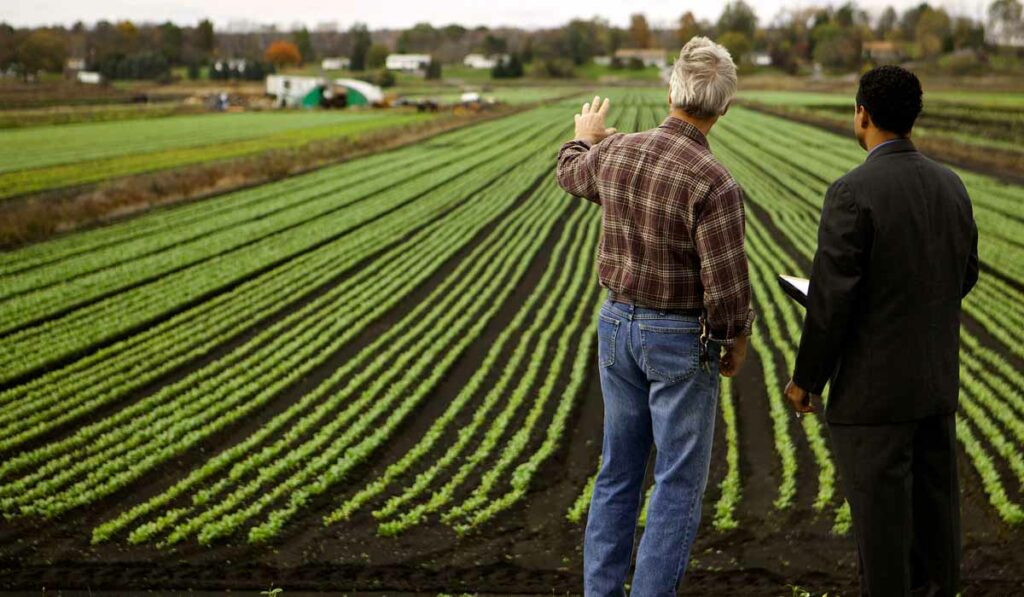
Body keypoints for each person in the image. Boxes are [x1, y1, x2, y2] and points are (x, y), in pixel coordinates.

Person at [555, 36, 754, 596]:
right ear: (725, 106)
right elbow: (726, 283)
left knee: (619, 469)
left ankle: (602, 591)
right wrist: (735, 337)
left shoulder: (618, 154)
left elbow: (572, 173)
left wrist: (584, 139)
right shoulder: (715, 182)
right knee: (677, 481)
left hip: (616, 326)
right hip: (677, 339)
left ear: (671, 90)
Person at [785, 65, 979, 596]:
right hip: (936, 389)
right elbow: (965, 273)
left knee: (883, 543)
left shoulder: (852, 192)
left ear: (862, 115)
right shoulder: (951, 184)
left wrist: (806, 382)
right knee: (936, 543)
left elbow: (831, 304)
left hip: (873, 402)